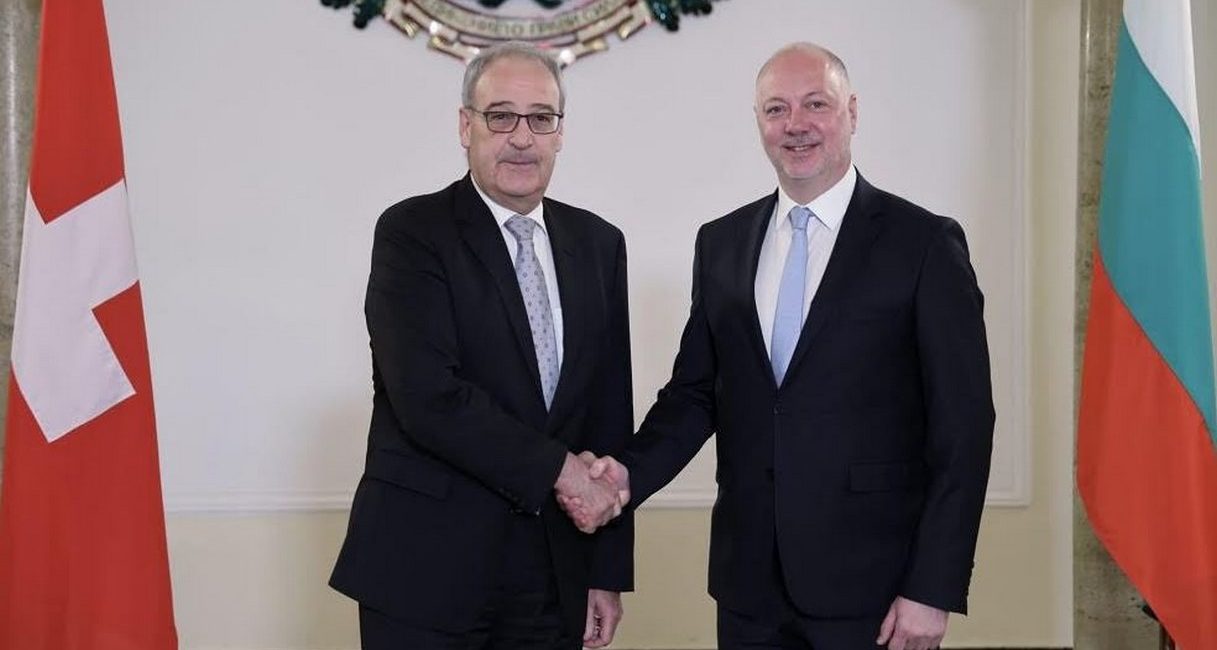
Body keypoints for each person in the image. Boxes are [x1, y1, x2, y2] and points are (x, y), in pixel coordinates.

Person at [562, 42, 995, 650]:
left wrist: (933, 586)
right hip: (749, 588)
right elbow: (694, 396)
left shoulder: (924, 244)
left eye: (816, 104)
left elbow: (965, 428)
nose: (796, 124)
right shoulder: (722, 243)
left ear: (852, 112)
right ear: (759, 121)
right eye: (776, 109)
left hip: (876, 588)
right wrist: (626, 474)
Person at [330, 41, 634, 650]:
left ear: (560, 133)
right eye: (501, 116)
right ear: (465, 126)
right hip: (425, 571)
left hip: (552, 574)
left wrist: (605, 570)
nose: (522, 137)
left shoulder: (599, 244)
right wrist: (562, 472)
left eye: (540, 118)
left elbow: (607, 411)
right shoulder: (413, 233)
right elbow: (428, 397)